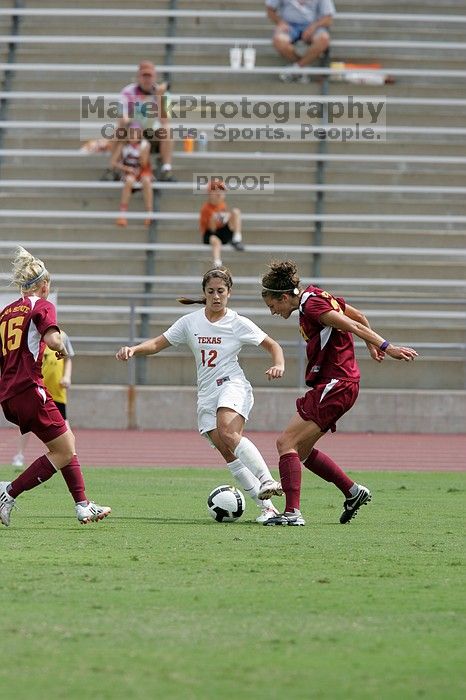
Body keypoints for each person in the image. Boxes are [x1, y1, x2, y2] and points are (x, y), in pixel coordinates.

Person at [116, 267, 285, 523]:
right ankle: (268, 509)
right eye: (211, 291)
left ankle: (267, 479)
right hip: (207, 393)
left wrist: (279, 364)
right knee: (228, 452)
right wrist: (133, 349)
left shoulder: (237, 322)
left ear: (229, 293)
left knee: (228, 431)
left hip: (232, 384)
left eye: (221, 291)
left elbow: (273, 345)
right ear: (204, 293)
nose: (216, 296)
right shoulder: (190, 322)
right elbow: (157, 344)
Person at [259, 260, 418, 526]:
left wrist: (386, 346)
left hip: (337, 382)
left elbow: (352, 325)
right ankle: (353, 492)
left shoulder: (311, 305)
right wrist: (370, 347)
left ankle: (292, 514)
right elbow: (359, 317)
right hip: (340, 383)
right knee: (304, 451)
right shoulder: (316, 295)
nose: (273, 311)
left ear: (284, 296)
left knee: (286, 443)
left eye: (272, 305)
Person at [0, 247, 111, 527]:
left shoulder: (5, 313)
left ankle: (83, 505)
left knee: (66, 441)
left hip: (10, 394)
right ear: (44, 284)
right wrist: (60, 347)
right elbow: (52, 340)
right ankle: (8, 492)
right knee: (63, 450)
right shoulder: (42, 305)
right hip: (29, 388)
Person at [102, 60, 175, 182]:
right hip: (133, 131)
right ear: (138, 77)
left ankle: (166, 170)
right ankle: (112, 169)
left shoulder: (163, 94)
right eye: (144, 76)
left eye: (149, 76)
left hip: (152, 134)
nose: (147, 79)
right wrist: (136, 119)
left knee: (167, 129)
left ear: (154, 77)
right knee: (118, 130)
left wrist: (159, 98)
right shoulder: (127, 92)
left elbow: (164, 120)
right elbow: (122, 117)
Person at [11, 330, 74, 468]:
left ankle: (71, 458)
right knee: (26, 425)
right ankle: (19, 454)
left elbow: (68, 358)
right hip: (37, 389)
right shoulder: (32, 336)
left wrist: (67, 377)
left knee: (64, 425)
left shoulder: (62, 336)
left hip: (56, 391)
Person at [265, 0, 335, 82]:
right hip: (289, 26)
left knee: (324, 39)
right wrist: (281, 23)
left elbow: (329, 18)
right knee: (278, 40)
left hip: (313, 25)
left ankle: (297, 68)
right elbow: (270, 10)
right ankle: (302, 68)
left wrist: (314, 27)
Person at [111, 123, 153, 227]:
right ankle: (122, 214)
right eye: (131, 133)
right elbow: (113, 162)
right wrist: (126, 168)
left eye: (136, 133)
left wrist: (141, 151)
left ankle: (149, 213)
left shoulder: (145, 145)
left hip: (142, 171)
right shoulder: (123, 145)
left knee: (146, 180)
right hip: (129, 171)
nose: (133, 135)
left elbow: (144, 163)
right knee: (129, 181)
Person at [199, 182, 245, 269]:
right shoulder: (206, 208)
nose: (219, 193)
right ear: (210, 193)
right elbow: (211, 229)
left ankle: (237, 238)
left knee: (236, 212)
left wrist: (225, 218)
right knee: (215, 241)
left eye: (221, 191)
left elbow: (224, 220)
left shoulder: (222, 204)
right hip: (211, 232)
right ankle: (217, 263)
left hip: (222, 230)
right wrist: (214, 220)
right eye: (215, 191)